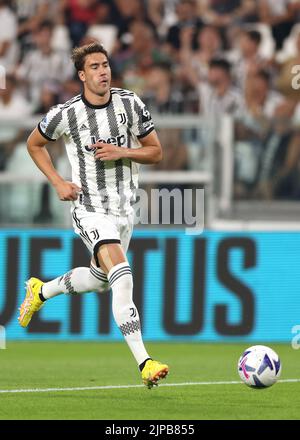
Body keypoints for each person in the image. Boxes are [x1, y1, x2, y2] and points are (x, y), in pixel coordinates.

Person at [18, 42, 169, 389]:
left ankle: (41, 291)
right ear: (82, 75)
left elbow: (156, 152)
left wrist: (122, 151)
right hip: (89, 208)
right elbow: (34, 143)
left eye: (106, 65)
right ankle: (144, 362)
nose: (103, 71)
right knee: (123, 274)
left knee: (102, 281)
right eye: (95, 67)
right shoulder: (66, 113)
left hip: (124, 209)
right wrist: (58, 181)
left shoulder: (130, 103)